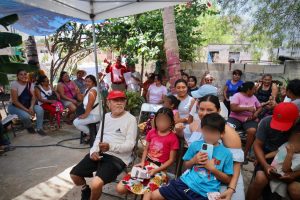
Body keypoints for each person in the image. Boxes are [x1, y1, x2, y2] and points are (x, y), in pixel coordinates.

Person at [146, 113, 233, 200]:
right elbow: (185, 166)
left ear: (221, 134)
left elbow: (228, 179)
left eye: (213, 132)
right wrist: (193, 160)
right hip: (184, 184)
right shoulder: (195, 145)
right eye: (206, 131)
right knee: (150, 195)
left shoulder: (226, 153)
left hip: (204, 193)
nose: (209, 135)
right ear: (202, 130)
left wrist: (213, 169)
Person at [69, 90, 137, 200]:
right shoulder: (106, 117)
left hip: (118, 157)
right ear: (108, 102)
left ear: (125, 102)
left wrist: (110, 147)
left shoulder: (131, 119)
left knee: (96, 183)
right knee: (74, 175)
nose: (119, 103)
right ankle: (86, 189)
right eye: (115, 100)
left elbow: (130, 145)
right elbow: (98, 138)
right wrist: (93, 151)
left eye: (122, 100)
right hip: (101, 153)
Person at [176, 95, 245, 200]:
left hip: (219, 183)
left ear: (218, 110)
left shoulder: (228, 132)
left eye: (210, 110)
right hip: (195, 179)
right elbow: (185, 135)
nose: (204, 113)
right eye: (201, 109)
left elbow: (236, 165)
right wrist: (178, 130)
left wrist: (231, 189)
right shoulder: (196, 124)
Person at [116, 107, 179, 195]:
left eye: (165, 121)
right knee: (120, 188)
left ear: (171, 122)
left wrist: (156, 170)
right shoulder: (152, 132)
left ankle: (143, 190)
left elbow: (171, 160)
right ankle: (138, 189)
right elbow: (146, 149)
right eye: (159, 121)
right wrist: (142, 162)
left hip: (160, 169)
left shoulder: (173, 138)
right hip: (145, 165)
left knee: (148, 194)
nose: (161, 124)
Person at [246, 102, 299, 200]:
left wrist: (294, 175)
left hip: (296, 160)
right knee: (260, 179)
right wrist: (264, 164)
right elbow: (257, 145)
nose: (281, 130)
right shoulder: (266, 122)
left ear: (296, 118)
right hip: (269, 154)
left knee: (295, 190)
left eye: (285, 125)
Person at [227, 81, 262, 162]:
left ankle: (245, 153)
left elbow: (259, 107)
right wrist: (247, 108)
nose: (254, 91)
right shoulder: (237, 95)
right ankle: (228, 151)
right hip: (235, 118)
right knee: (228, 127)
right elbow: (233, 108)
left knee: (252, 131)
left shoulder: (253, 97)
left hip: (250, 119)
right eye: (253, 89)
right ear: (248, 90)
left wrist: (256, 113)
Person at [7, 69, 45, 135]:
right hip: (14, 106)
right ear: (17, 76)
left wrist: (31, 106)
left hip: (27, 104)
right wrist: (27, 110)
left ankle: (39, 128)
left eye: (25, 74)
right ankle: (29, 126)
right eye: (21, 74)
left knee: (40, 109)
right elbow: (15, 101)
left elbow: (33, 97)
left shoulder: (30, 84)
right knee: (25, 116)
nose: (23, 76)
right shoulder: (14, 84)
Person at [269, 121, 300, 198]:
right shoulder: (288, 143)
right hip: (273, 172)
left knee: (277, 193)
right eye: (291, 139)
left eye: (295, 141)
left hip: (282, 179)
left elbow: (286, 169)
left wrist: (290, 154)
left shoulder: (298, 157)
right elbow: (277, 151)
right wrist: (263, 157)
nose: (291, 143)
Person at [73, 75, 100, 143]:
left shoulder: (93, 91)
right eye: (86, 81)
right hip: (90, 113)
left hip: (95, 115)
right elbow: (81, 98)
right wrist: (78, 92)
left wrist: (85, 115)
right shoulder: (88, 89)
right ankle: (90, 133)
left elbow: (90, 104)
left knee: (76, 122)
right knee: (77, 119)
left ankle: (90, 134)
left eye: (89, 81)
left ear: (93, 83)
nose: (87, 83)